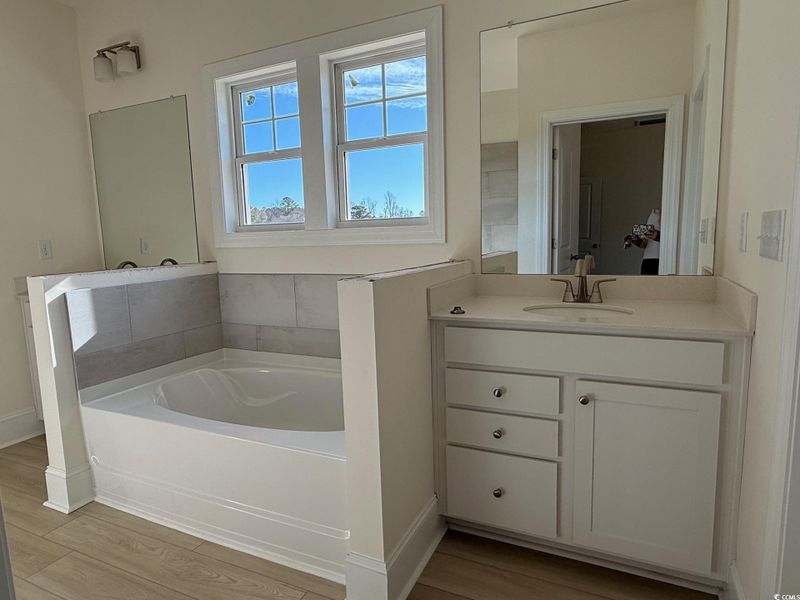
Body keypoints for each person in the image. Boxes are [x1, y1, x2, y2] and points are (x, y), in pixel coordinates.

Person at [629, 208, 661, 275]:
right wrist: (637, 241)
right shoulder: (656, 212)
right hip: (649, 260)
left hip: (667, 261)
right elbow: (644, 244)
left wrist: (659, 236)